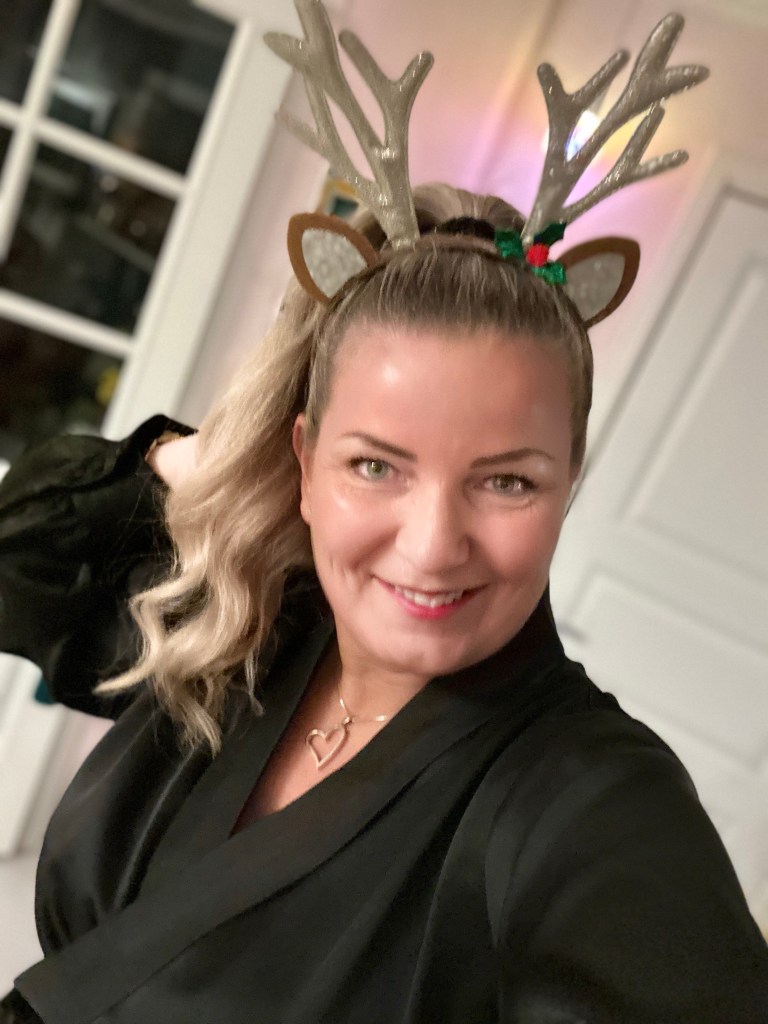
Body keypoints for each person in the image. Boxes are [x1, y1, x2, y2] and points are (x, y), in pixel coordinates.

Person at [1, 5, 768, 1023]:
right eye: (375, 464)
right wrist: (218, 455)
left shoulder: (589, 803)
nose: (433, 544)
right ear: (304, 458)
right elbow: (17, 561)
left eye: (507, 481)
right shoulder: (250, 626)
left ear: (570, 480)